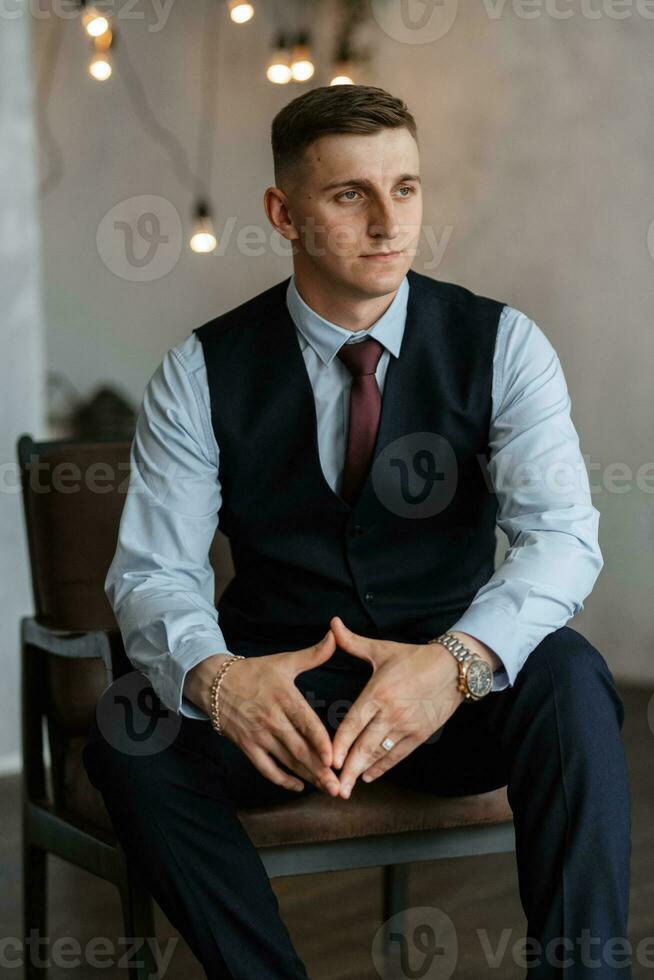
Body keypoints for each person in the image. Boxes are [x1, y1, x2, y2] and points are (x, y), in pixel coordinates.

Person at [83, 85, 631, 979]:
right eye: (351, 195)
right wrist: (221, 681)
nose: (388, 223)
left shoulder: (504, 346)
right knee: (129, 722)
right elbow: (153, 573)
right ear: (283, 212)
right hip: (279, 703)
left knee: (570, 675)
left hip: (449, 700)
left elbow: (563, 539)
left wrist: (453, 665)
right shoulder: (199, 369)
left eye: (406, 189)